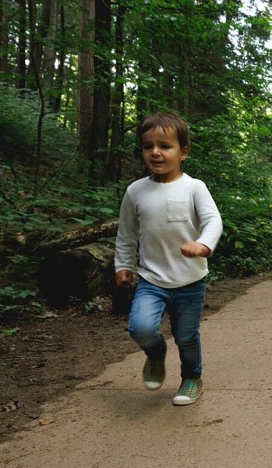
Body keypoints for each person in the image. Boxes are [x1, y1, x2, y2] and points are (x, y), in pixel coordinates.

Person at [115, 112, 223, 406]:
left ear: (183, 152)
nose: (155, 152)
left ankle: (192, 378)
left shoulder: (194, 187)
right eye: (148, 146)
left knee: (186, 335)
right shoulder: (136, 191)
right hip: (152, 278)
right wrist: (123, 265)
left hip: (190, 279)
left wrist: (204, 245)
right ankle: (155, 352)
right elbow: (126, 233)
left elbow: (213, 221)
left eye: (165, 145)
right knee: (140, 328)